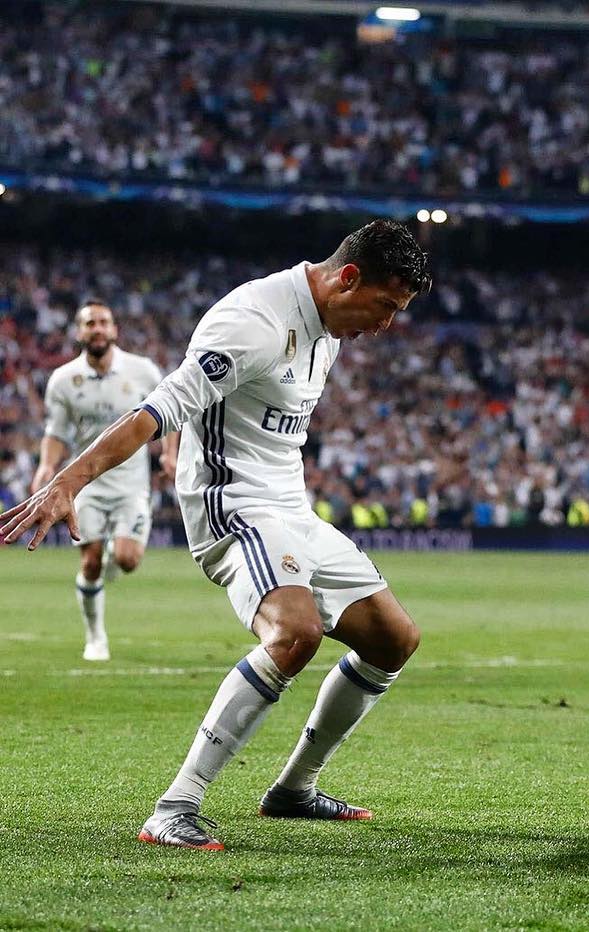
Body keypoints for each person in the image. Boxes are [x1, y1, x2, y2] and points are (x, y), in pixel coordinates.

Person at [3, 220, 432, 851]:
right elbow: (154, 412)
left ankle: (293, 790)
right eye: (386, 306)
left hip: (291, 509)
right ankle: (174, 807)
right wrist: (68, 481)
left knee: (395, 639)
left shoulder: (329, 329)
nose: (386, 324)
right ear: (347, 278)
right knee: (295, 632)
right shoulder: (253, 322)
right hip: (232, 505)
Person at [31, 300, 177, 661]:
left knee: (127, 559)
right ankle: (96, 638)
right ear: (79, 332)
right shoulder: (63, 380)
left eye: (103, 322)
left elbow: (172, 413)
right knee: (90, 563)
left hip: (132, 483)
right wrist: (46, 466)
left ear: (114, 330)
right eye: (90, 323)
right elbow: (56, 432)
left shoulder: (142, 371)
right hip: (87, 484)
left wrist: (170, 453)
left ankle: (115, 553)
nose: (97, 328)